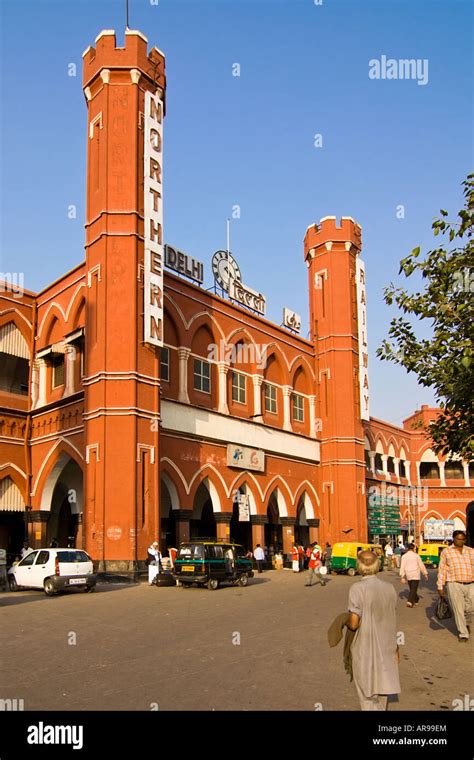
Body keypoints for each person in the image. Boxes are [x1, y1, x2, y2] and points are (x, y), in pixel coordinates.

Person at [347, 550, 400, 711]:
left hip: (365, 647)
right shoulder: (390, 588)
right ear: (378, 565)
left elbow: (354, 624)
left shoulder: (357, 588)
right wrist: (397, 648)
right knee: (382, 691)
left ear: (359, 566)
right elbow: (392, 619)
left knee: (367, 694)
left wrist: (345, 621)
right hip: (387, 646)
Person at [437, 530, 474, 642]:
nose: (460, 541)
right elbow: (442, 569)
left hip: (470, 583)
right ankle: (463, 633)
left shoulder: (471, 551)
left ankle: (466, 622)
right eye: (458, 539)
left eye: (463, 539)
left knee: (471, 607)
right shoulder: (446, 552)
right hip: (454, 583)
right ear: (453, 539)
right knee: (458, 609)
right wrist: (440, 586)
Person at [399, 543, 428, 607]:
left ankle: (410, 601)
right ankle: (416, 599)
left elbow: (402, 567)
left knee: (413, 588)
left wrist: (402, 576)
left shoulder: (404, 556)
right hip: (415, 574)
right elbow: (421, 565)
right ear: (413, 548)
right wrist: (425, 574)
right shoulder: (416, 556)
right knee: (413, 588)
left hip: (409, 574)